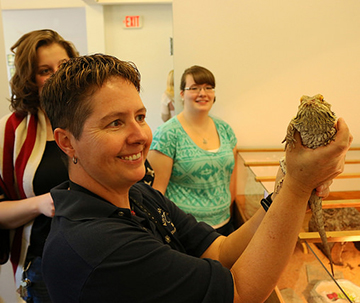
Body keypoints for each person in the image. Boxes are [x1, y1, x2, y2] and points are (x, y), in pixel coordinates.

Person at [40, 53, 352, 303]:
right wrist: (297, 187)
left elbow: (221, 251)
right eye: (114, 123)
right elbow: (241, 292)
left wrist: (289, 193)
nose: (140, 136)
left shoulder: (135, 194)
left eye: (140, 117)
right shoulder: (97, 245)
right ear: (67, 142)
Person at [0, 29, 79, 302]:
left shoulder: (90, 118)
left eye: (65, 66)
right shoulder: (11, 131)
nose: (58, 76)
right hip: (44, 265)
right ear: (30, 79)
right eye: (45, 71)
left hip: (99, 254)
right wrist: (41, 204)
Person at [148, 65, 237, 235]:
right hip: (186, 231)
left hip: (224, 224)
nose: (202, 93)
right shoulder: (167, 134)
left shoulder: (225, 130)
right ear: (182, 94)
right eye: (194, 88)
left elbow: (230, 179)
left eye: (208, 88)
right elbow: (156, 193)